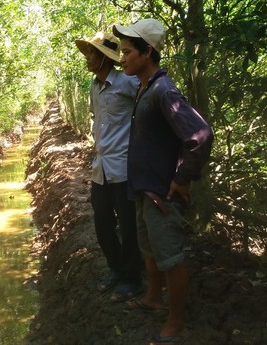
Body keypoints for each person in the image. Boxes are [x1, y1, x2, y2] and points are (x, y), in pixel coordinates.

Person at [112, 19, 213, 344]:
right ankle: (153, 298)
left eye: (128, 52)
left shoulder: (163, 91)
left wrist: (182, 181)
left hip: (161, 193)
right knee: (149, 250)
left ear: (147, 52)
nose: (122, 58)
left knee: (169, 255)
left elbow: (199, 136)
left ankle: (176, 322)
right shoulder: (145, 88)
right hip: (145, 189)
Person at [74, 31, 144, 301]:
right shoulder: (94, 86)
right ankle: (117, 269)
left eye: (92, 53)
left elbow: (146, 108)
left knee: (128, 226)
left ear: (105, 58)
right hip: (101, 168)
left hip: (124, 168)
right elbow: (97, 120)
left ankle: (132, 278)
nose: (88, 58)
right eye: (88, 53)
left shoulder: (127, 82)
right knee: (103, 224)